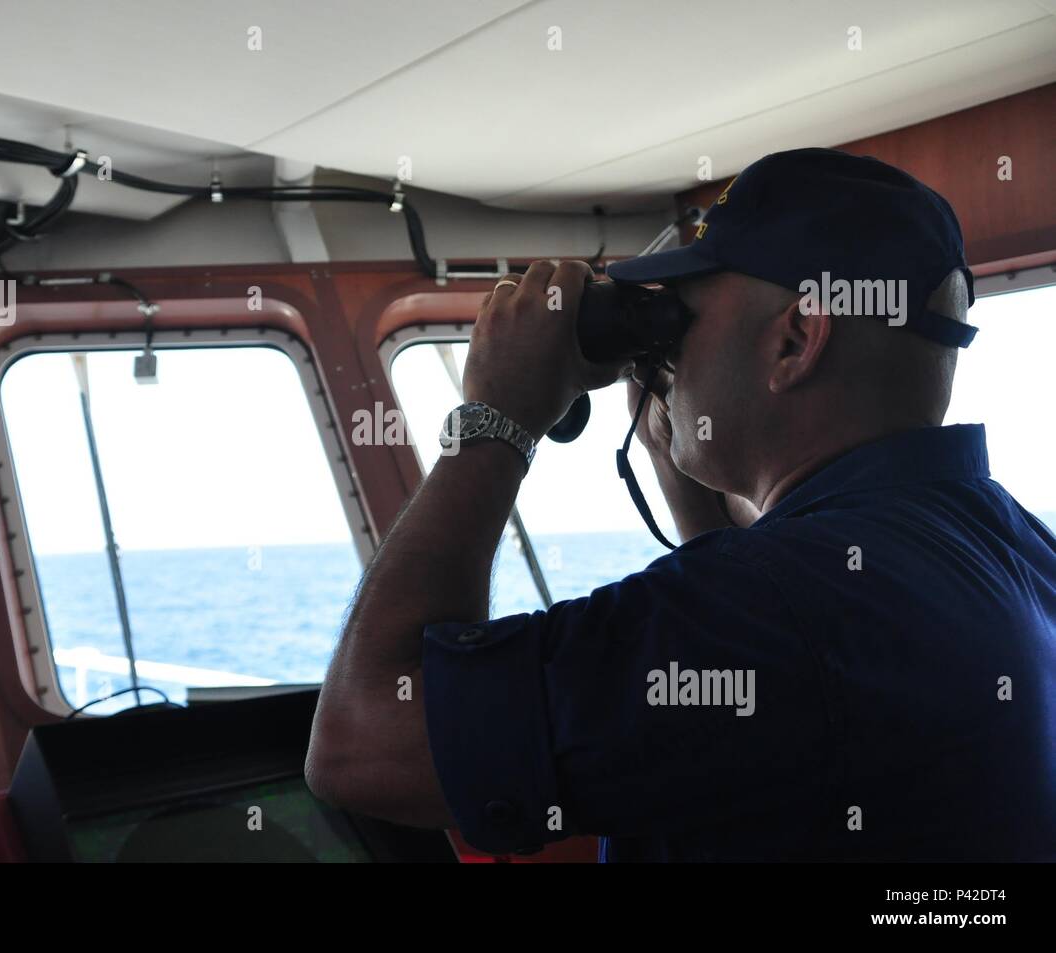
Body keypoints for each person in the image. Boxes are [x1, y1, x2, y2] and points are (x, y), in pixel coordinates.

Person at [305, 148, 1056, 861]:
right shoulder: (1016, 546)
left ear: (797, 339)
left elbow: (361, 740)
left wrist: (496, 418)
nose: (667, 343)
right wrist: (679, 427)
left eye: (684, 313)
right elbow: (781, 707)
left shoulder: (773, 609)